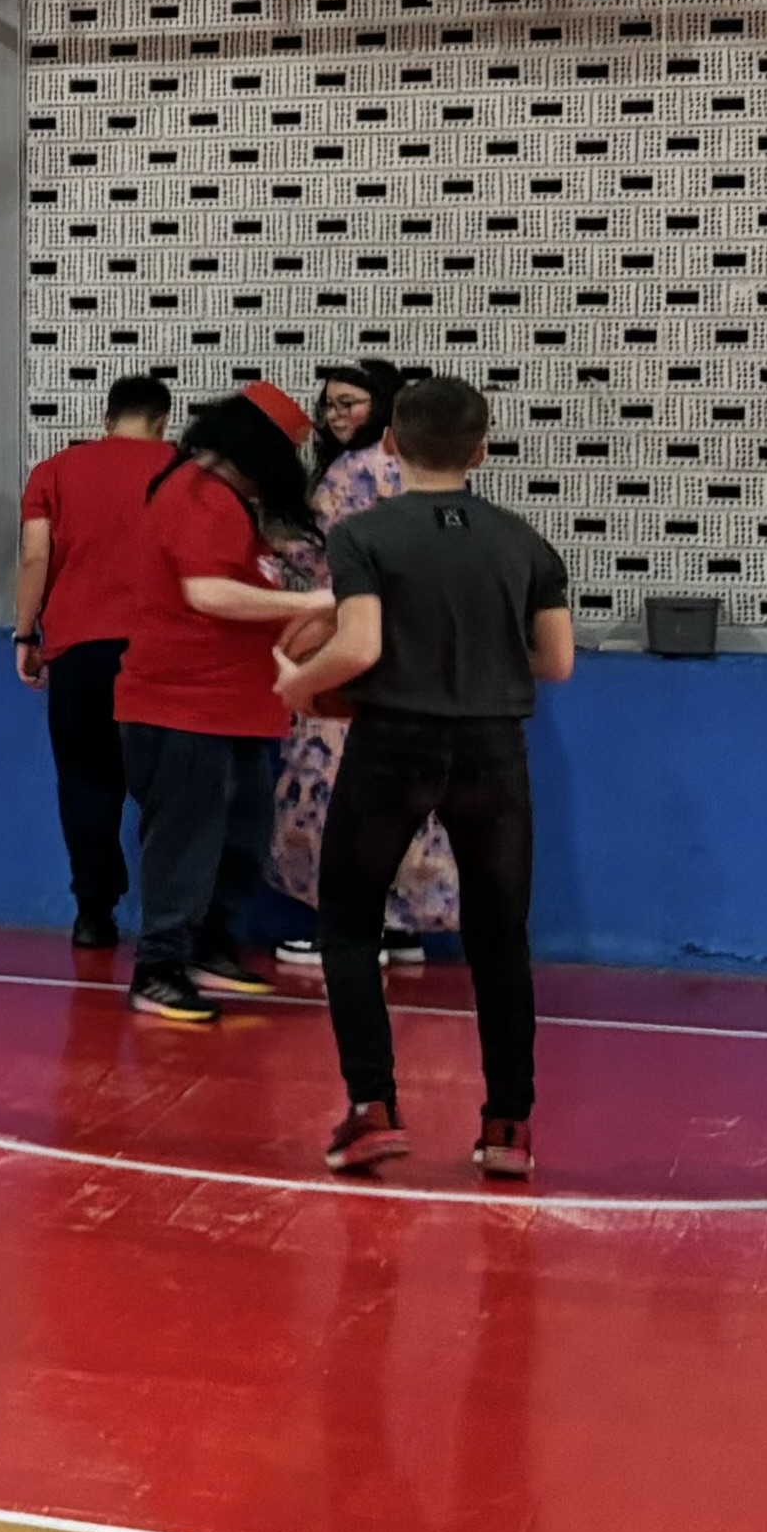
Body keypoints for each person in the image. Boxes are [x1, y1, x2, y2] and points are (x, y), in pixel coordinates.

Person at [276, 373, 576, 1180]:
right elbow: (556, 661)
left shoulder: (366, 535)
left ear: (393, 444)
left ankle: (373, 1109)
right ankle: (508, 1124)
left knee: (348, 924)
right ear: (482, 451)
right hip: (493, 750)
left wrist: (299, 682)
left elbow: (359, 645)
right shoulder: (525, 542)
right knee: (499, 938)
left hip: (393, 744)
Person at [111, 383, 324, 1029]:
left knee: (240, 838)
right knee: (185, 843)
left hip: (236, 704)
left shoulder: (228, 504)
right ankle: (160, 968)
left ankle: (208, 946)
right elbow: (209, 593)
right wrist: (311, 603)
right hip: (184, 705)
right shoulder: (197, 495)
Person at [265, 357, 455, 975]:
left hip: (351, 643)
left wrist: (274, 536)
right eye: (329, 404)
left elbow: (339, 569)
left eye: (350, 402)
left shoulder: (353, 472)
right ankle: (397, 923)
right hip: (418, 654)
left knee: (332, 786)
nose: (335, 415)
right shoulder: (420, 472)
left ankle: (348, 929)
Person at [11, 373, 177, 951]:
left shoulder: (55, 471)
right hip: (164, 651)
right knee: (172, 789)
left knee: (86, 782)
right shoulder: (188, 472)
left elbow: (36, 556)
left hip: (80, 648)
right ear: (163, 423)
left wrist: (25, 634)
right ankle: (173, 918)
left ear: (106, 421)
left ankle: (93, 914)